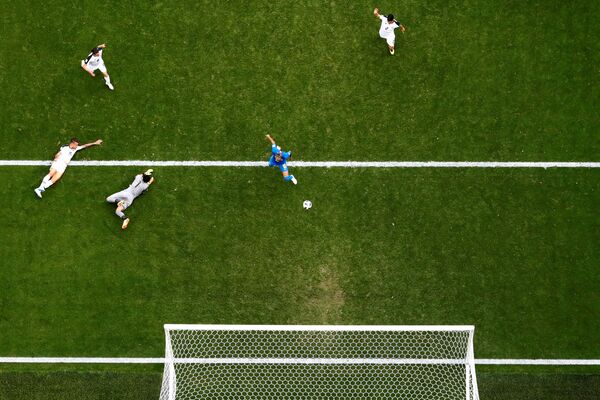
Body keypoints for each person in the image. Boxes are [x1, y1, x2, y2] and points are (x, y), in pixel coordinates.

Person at [34, 138, 103, 198]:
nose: (76, 146)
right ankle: (40, 188)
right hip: (58, 162)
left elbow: (84, 146)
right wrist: (56, 157)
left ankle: (40, 188)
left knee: (55, 179)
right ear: (72, 143)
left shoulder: (75, 148)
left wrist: (95, 143)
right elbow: (58, 154)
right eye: (75, 144)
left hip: (64, 165)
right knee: (51, 173)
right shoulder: (65, 148)